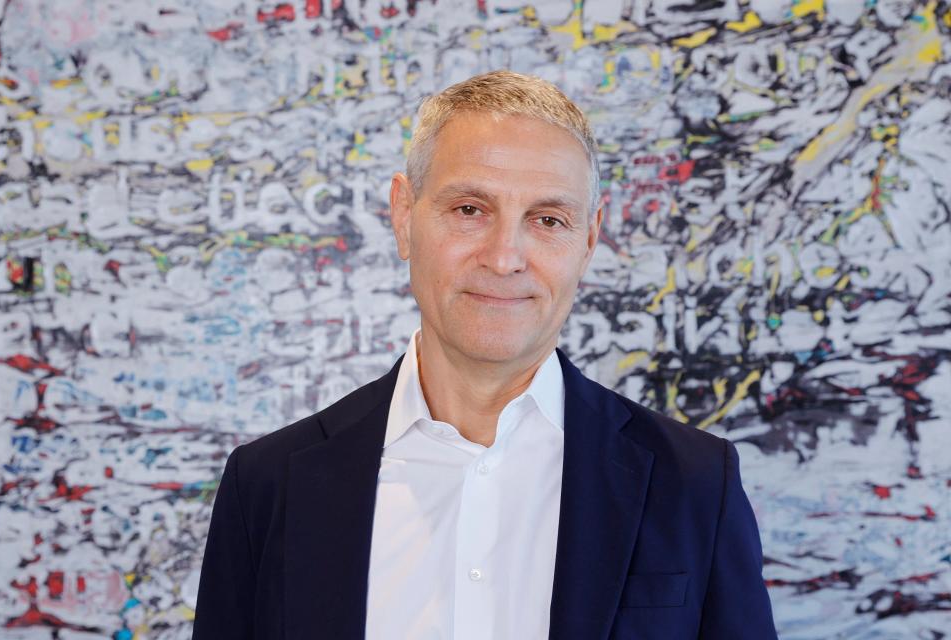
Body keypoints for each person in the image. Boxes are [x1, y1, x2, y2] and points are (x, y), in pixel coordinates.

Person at [192, 70, 778, 640]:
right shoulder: (267, 486)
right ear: (403, 216)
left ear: (589, 240)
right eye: (470, 209)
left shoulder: (697, 485)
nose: (504, 258)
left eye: (548, 220)